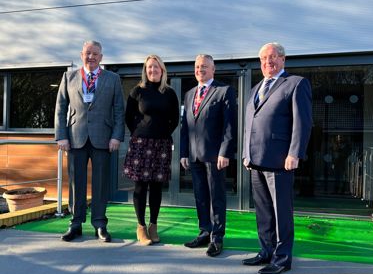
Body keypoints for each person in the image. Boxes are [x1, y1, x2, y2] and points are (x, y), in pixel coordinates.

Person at [242, 42, 312, 274]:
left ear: (283, 59)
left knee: (281, 211)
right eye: (263, 58)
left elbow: (302, 122)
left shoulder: (295, 83)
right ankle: (266, 251)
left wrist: (295, 153)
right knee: (263, 210)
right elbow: (249, 126)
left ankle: (282, 259)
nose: (267, 62)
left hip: (280, 160)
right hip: (255, 161)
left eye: (272, 57)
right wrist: (245, 153)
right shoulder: (255, 88)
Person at [55, 40, 125, 243]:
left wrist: (116, 136)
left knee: (101, 184)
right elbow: (60, 108)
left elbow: (119, 109)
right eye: (88, 53)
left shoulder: (113, 78)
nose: (91, 57)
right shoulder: (69, 77)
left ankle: (100, 224)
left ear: (101, 57)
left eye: (95, 53)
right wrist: (61, 136)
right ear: (81, 55)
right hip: (75, 137)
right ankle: (75, 223)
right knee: (76, 183)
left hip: (103, 138)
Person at [180, 54, 237, 257]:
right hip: (194, 156)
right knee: (201, 197)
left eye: (204, 66)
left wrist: (225, 152)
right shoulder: (189, 94)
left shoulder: (224, 91)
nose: (200, 70)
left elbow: (230, 126)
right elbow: (185, 127)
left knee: (216, 198)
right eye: (197, 67)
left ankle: (217, 238)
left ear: (213, 69)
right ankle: (205, 231)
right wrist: (184, 152)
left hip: (215, 156)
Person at [123, 55, 179, 245]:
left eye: (156, 67)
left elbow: (175, 119)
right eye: (149, 68)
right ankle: (141, 227)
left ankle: (153, 225)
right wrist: (139, 132)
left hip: (161, 144)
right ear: (145, 71)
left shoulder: (169, 93)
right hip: (141, 144)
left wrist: (162, 133)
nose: (152, 70)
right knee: (141, 185)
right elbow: (128, 116)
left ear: (162, 70)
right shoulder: (137, 91)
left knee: (156, 186)